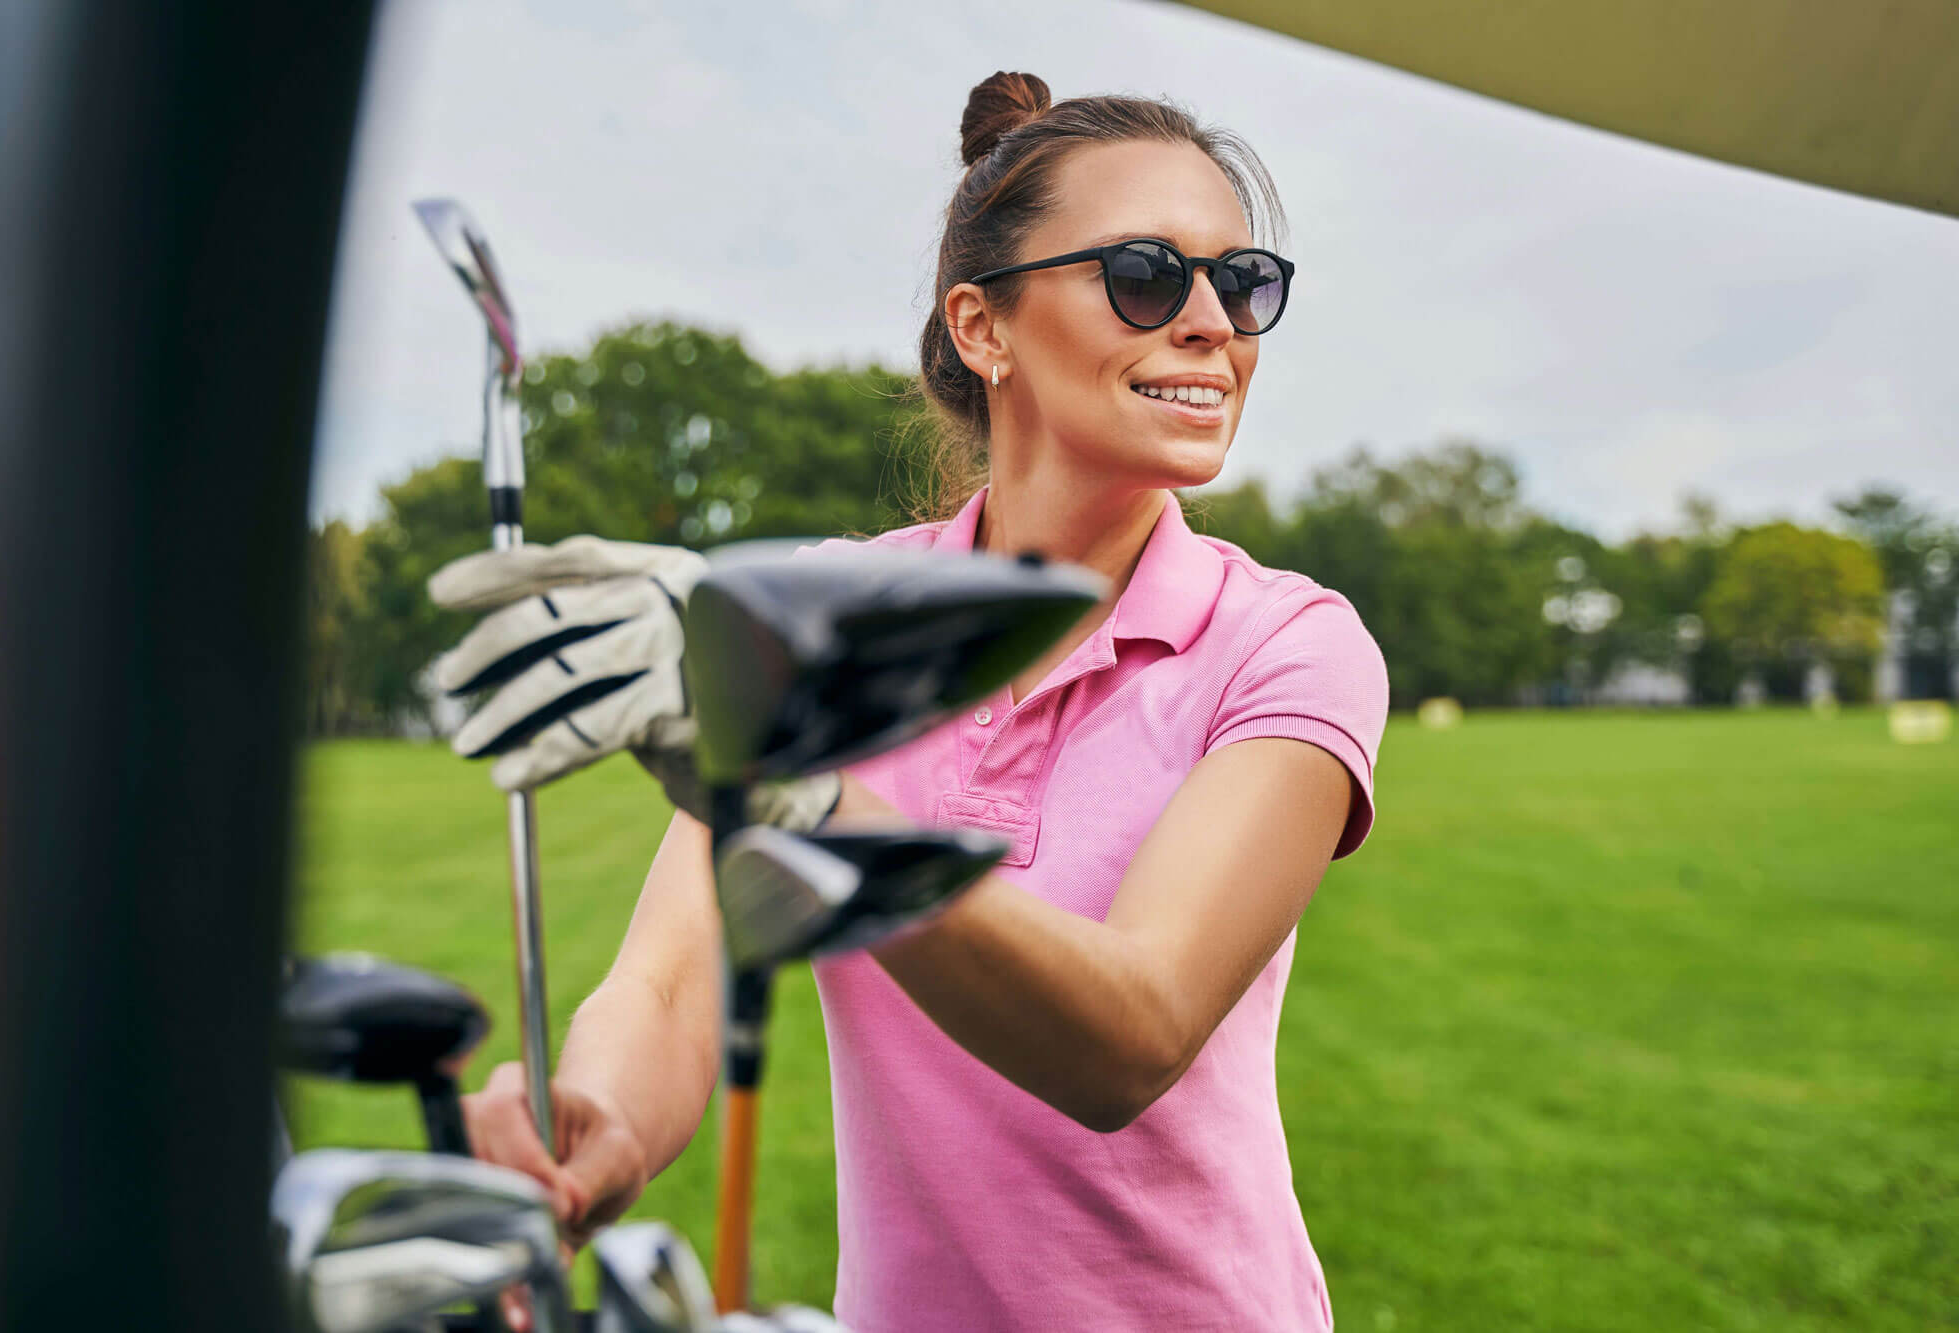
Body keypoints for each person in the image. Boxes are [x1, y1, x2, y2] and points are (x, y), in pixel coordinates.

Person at [433, 71, 1388, 1332]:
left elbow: (1131, 1034)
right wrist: (595, 1121)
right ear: (982, 328)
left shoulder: (1288, 642)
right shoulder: (825, 615)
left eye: (1243, 281)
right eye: (1147, 274)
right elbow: (672, 978)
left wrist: (801, 795)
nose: (1212, 321)